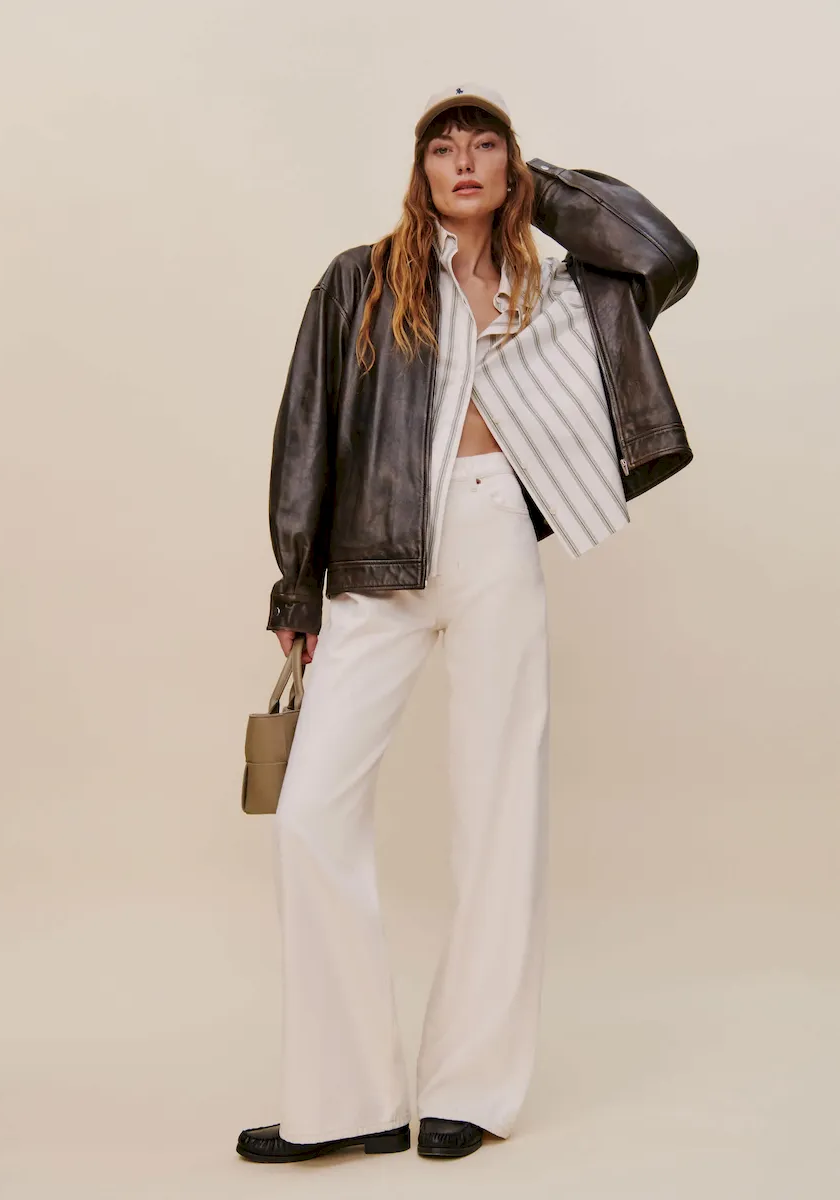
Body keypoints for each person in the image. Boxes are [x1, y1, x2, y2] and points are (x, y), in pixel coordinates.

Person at [237, 82, 699, 1165]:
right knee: (310, 813)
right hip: (375, 556)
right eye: (443, 147)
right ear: (419, 170)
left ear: (510, 166)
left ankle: (471, 1086)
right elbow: (306, 427)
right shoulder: (359, 279)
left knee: (501, 808)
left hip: (494, 534)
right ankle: (344, 1098)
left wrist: (544, 192)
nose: (463, 162)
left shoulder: (559, 288)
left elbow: (662, 251)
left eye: (484, 145)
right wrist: (297, 587)